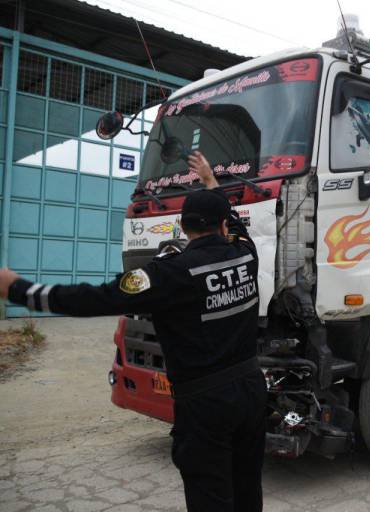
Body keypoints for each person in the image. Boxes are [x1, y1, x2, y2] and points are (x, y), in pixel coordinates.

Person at [0, 152, 266, 512]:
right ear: (221, 226)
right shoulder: (246, 255)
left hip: (206, 405)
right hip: (251, 392)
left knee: (211, 497)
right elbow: (234, 221)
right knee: (247, 490)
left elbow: (96, 299)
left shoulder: (170, 274)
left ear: (184, 229)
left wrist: (19, 290)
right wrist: (209, 182)